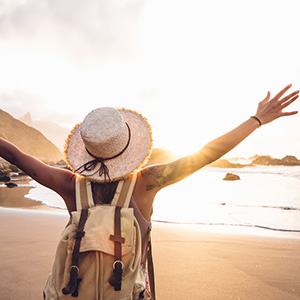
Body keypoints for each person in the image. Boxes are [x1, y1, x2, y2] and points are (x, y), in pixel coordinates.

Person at [0, 84, 299, 296]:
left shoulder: (69, 185)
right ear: (128, 146)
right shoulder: (147, 182)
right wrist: (256, 120)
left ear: (87, 152)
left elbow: (15, 155)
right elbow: (207, 153)